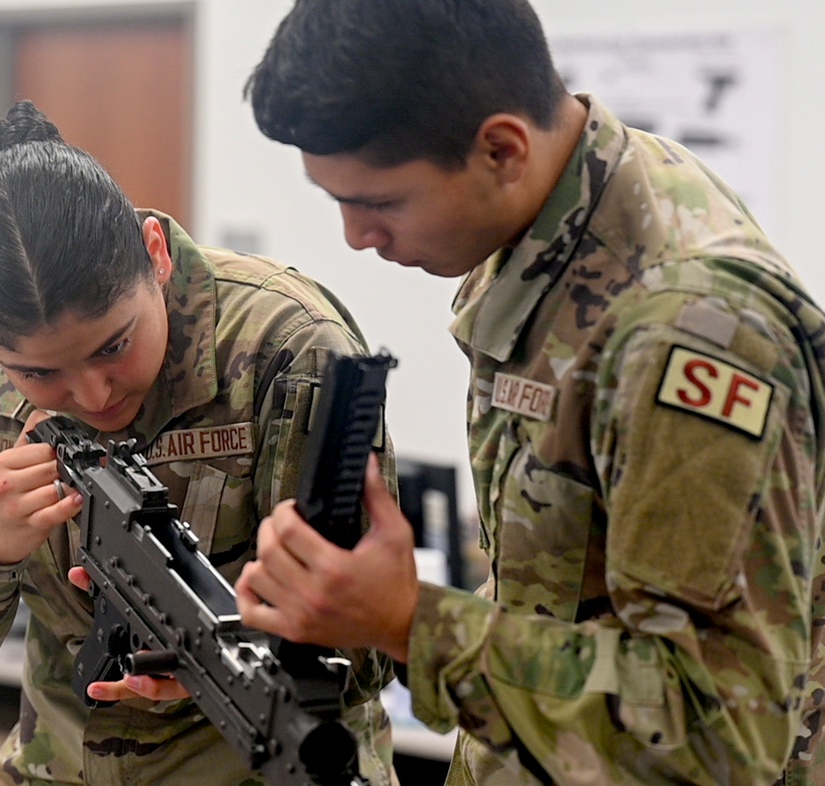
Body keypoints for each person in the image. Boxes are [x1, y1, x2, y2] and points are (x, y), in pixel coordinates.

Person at [234, 1, 825, 784]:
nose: (356, 237)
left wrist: (410, 621)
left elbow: (715, 734)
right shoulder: (556, 218)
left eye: (378, 203)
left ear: (501, 150)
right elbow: (557, 588)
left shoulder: (685, 328)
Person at [0, 100, 399, 786]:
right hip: (64, 759)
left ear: (157, 253)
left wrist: (235, 651)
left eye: (114, 345)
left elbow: (369, 649)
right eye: (38, 373)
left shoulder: (286, 345)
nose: (92, 395)